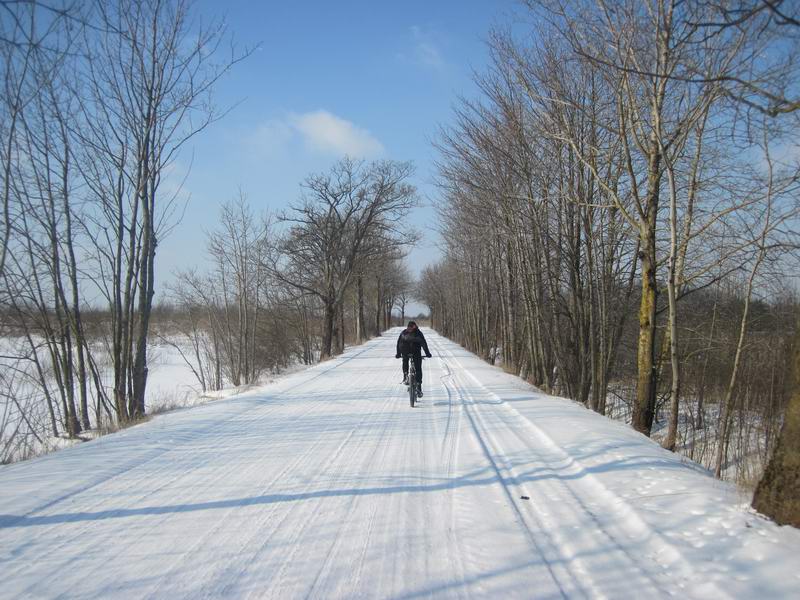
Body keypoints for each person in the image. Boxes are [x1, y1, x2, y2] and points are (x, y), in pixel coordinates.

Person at [395, 321, 432, 396]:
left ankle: (405, 376)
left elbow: (398, 343)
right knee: (418, 368)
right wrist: (427, 354)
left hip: (405, 352)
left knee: (405, 360)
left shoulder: (404, 332)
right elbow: (423, 343)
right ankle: (418, 387)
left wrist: (398, 354)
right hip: (416, 352)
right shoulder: (418, 333)